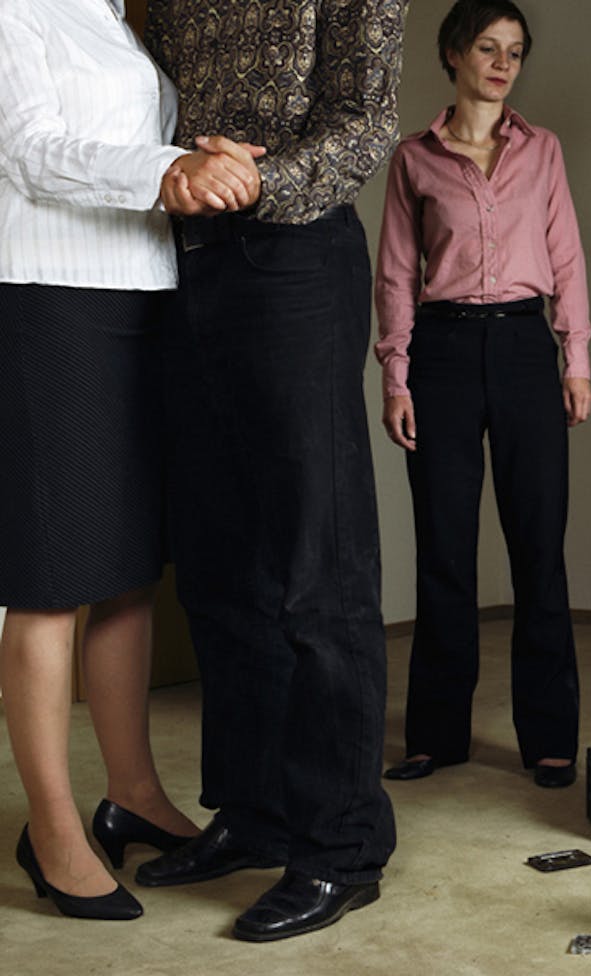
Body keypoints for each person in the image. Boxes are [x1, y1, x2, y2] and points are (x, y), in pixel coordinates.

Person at [131, 0, 409, 942]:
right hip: (181, 258)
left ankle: (342, 846)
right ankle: (255, 814)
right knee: (217, 565)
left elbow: (365, 120)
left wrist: (256, 178)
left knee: (315, 565)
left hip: (294, 254)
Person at [0, 0, 261, 921]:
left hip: (145, 292)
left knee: (126, 572)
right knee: (48, 579)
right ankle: (52, 828)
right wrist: (167, 169)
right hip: (49, 296)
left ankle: (134, 793)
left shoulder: (114, 15)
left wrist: (206, 157)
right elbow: (26, 148)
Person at [375, 0, 591, 789]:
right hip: (441, 354)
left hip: (527, 349)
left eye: (515, 52)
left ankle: (549, 738)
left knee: (538, 546)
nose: (503, 65)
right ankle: (436, 736)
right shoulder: (414, 159)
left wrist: (576, 357)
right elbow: (396, 274)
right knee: (443, 546)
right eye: (488, 48)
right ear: (453, 55)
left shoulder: (543, 151)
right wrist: (395, 375)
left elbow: (566, 256)